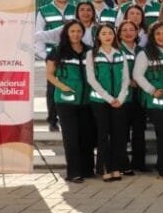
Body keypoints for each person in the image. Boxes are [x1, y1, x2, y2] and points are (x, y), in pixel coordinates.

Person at [45, 20, 93, 183]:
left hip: (86, 100)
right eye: (72, 31)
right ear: (66, 32)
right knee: (71, 137)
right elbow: (49, 74)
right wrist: (63, 87)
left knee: (86, 136)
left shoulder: (89, 51)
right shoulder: (57, 50)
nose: (75, 34)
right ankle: (74, 172)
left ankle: (87, 170)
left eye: (78, 31)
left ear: (83, 33)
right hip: (65, 101)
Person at [86, 23, 130, 182]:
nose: (107, 36)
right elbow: (92, 79)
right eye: (103, 33)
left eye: (110, 33)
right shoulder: (92, 54)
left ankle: (116, 167)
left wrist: (121, 97)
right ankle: (104, 168)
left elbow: (126, 78)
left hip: (119, 101)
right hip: (100, 101)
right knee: (103, 134)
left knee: (118, 135)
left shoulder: (120, 53)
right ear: (98, 36)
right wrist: (109, 98)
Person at [133, 22, 163, 179]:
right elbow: (137, 75)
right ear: (152, 36)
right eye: (158, 34)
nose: (162, 36)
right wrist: (152, 90)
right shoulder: (145, 53)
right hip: (154, 100)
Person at [36, 0, 76, 132]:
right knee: (52, 87)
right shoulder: (44, 10)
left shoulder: (75, 9)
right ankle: (53, 120)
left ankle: (72, 117)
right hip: (53, 54)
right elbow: (38, 35)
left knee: (72, 83)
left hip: (72, 54)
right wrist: (44, 55)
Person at [117, 21, 147, 173]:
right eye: (124, 30)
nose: (128, 33)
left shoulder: (142, 50)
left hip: (139, 96)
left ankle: (139, 163)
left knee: (139, 131)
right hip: (123, 97)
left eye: (131, 30)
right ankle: (123, 164)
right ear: (119, 33)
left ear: (137, 33)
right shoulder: (116, 49)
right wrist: (129, 81)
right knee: (121, 132)